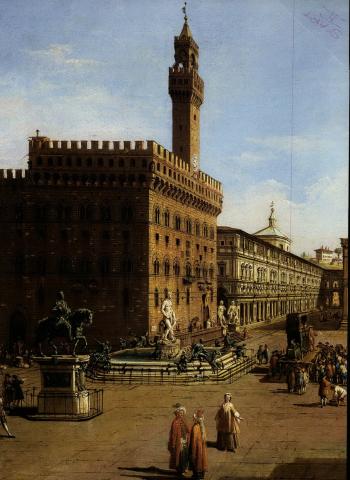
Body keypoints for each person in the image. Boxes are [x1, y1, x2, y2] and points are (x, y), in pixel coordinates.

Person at [168, 404, 190, 478]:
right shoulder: (175, 422)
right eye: (180, 413)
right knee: (180, 456)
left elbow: (188, 430)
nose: (181, 414)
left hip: (184, 441)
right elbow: (173, 434)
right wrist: (174, 443)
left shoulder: (183, 420)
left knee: (185, 455)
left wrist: (187, 435)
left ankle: (184, 468)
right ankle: (180, 471)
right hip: (178, 442)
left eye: (182, 413)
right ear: (177, 414)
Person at [189, 409, 208, 479]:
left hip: (197, 447)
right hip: (201, 448)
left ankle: (197, 475)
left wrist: (191, 447)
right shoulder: (202, 427)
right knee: (201, 460)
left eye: (194, 418)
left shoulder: (196, 427)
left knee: (197, 460)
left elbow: (194, 439)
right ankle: (200, 475)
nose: (193, 419)